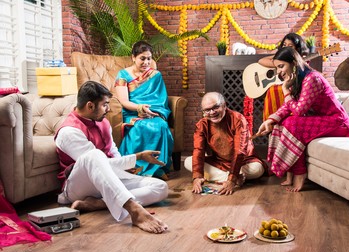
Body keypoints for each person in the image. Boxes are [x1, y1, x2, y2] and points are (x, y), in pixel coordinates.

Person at [55, 81, 168, 234]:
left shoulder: (103, 122)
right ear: (90, 106)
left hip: (107, 180)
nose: (108, 109)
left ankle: (98, 204)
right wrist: (137, 157)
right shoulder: (69, 131)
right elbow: (98, 164)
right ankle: (134, 210)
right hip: (78, 186)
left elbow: (112, 151)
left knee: (160, 188)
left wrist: (126, 166)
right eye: (105, 105)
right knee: (94, 155)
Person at [254, 47, 349, 192]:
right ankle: (290, 173)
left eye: (281, 66)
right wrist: (270, 121)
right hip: (323, 120)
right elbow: (288, 107)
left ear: (294, 62)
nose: (279, 72)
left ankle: (300, 174)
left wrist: (285, 91)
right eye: (277, 68)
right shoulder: (298, 79)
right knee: (282, 122)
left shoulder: (312, 79)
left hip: (338, 123)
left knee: (292, 122)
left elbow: (299, 111)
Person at [184, 92, 266, 195]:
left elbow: (239, 151)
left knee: (257, 170)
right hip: (219, 163)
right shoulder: (202, 124)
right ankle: (238, 178)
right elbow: (198, 150)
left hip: (244, 162)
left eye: (215, 107)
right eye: (207, 110)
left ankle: (230, 177)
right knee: (188, 161)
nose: (212, 112)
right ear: (203, 111)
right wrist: (197, 177)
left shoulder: (238, 119)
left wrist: (231, 180)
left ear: (224, 105)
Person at [115, 41, 173, 180]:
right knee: (141, 127)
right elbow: (124, 101)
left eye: (149, 58)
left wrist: (152, 110)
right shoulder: (123, 75)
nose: (146, 62)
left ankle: (158, 166)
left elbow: (160, 100)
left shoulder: (155, 75)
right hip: (133, 112)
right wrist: (140, 108)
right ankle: (139, 167)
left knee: (161, 126)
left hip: (153, 112)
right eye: (142, 58)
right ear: (133, 57)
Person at [258, 33, 310, 121]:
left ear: (297, 49)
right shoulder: (280, 60)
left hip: (294, 88)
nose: (286, 48)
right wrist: (280, 58)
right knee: (272, 90)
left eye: (290, 46)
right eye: (284, 45)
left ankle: (285, 120)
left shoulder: (302, 62)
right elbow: (261, 61)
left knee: (274, 89)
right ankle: (271, 122)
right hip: (283, 87)